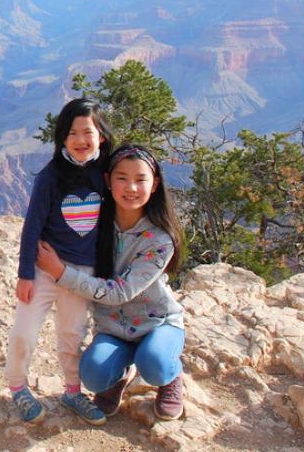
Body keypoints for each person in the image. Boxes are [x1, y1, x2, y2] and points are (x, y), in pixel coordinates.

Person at [37, 143, 187, 421]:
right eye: (122, 178)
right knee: (93, 376)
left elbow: (120, 293)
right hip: (114, 328)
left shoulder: (160, 239)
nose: (131, 187)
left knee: (153, 363)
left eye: (140, 179)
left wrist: (60, 272)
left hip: (158, 324)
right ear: (107, 180)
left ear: (154, 184)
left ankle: (171, 375)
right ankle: (122, 374)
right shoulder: (94, 224)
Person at [5, 98, 113, 425]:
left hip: (81, 274)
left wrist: (104, 274)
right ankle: (18, 387)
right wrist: (25, 274)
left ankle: (72, 390)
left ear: (101, 136)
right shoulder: (51, 176)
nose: (80, 140)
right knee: (24, 332)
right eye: (72, 133)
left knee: (72, 335)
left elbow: (112, 227)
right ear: (62, 139)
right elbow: (32, 226)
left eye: (87, 132)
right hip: (43, 271)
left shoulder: (107, 175)